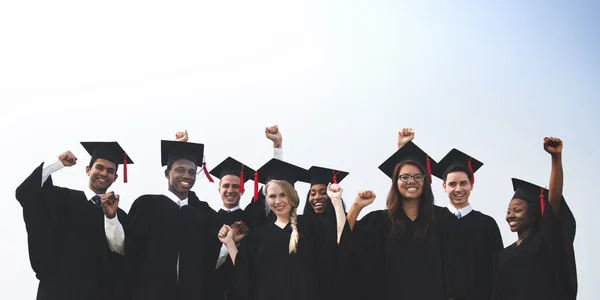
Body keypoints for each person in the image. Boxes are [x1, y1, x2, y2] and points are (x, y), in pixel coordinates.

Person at [15, 141, 132, 300]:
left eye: (110, 171)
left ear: (115, 177)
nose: (104, 173)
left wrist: (111, 217)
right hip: (58, 291)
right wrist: (56, 163)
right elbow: (27, 192)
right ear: (88, 170)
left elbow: (122, 251)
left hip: (100, 293)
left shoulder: (119, 215)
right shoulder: (61, 199)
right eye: (99, 167)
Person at [344, 141, 446, 300]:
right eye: (404, 177)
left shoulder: (441, 219)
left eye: (418, 176)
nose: (411, 181)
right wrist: (356, 207)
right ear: (395, 183)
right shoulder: (378, 221)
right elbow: (345, 243)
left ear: (426, 181)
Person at [126, 133, 221, 300]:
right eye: (180, 170)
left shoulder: (199, 214)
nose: (187, 176)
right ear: (167, 173)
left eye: (192, 172)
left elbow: (210, 257)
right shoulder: (147, 205)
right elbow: (128, 251)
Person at [218, 177, 347, 300]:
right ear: (267, 200)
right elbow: (244, 270)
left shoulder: (310, 226)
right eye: (272, 196)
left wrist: (336, 201)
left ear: (292, 195)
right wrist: (229, 243)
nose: (278, 201)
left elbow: (340, 240)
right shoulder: (259, 236)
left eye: (283, 195)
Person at [494, 137, 577, 300]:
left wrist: (556, 159)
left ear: (533, 214)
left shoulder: (544, 243)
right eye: (508, 211)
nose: (510, 215)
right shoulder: (503, 255)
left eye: (517, 210)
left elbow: (554, 200)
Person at [207, 156, 255, 300]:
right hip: (212, 292)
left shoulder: (252, 219)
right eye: (226, 186)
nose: (230, 190)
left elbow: (273, 187)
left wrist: (277, 147)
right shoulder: (208, 219)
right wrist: (227, 244)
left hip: (246, 293)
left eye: (236, 186)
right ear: (219, 189)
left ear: (243, 190)